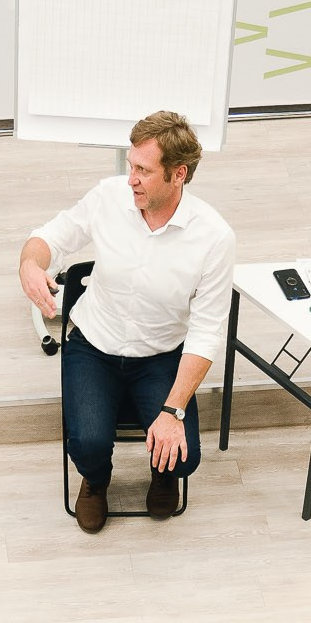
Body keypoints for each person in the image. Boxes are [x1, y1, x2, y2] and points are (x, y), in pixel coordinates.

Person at [18, 109, 235, 534]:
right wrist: (30, 263)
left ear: (178, 175)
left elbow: (208, 332)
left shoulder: (214, 238)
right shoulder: (108, 196)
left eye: (142, 170)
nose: (130, 178)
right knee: (89, 443)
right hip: (94, 347)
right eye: (130, 164)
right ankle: (96, 482)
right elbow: (51, 236)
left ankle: (164, 473)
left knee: (185, 456)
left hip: (160, 356)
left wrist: (173, 410)